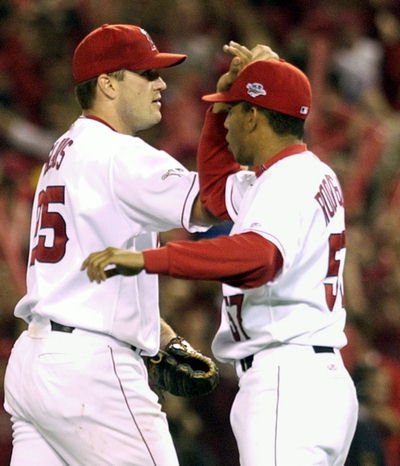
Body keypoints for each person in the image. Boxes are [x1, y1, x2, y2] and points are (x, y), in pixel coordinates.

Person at [82, 47, 359, 465]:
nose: (223, 121)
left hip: (288, 380)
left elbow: (259, 257)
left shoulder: (288, 181)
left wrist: (150, 260)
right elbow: (214, 192)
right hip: (313, 379)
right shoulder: (297, 175)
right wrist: (219, 106)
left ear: (253, 116)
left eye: (229, 111)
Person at [3, 23, 218, 466]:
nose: (161, 84)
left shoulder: (63, 149)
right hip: (92, 371)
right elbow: (212, 204)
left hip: (36, 362)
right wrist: (226, 121)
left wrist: (157, 333)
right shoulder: (119, 153)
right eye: (146, 73)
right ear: (108, 84)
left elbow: (82, 271)